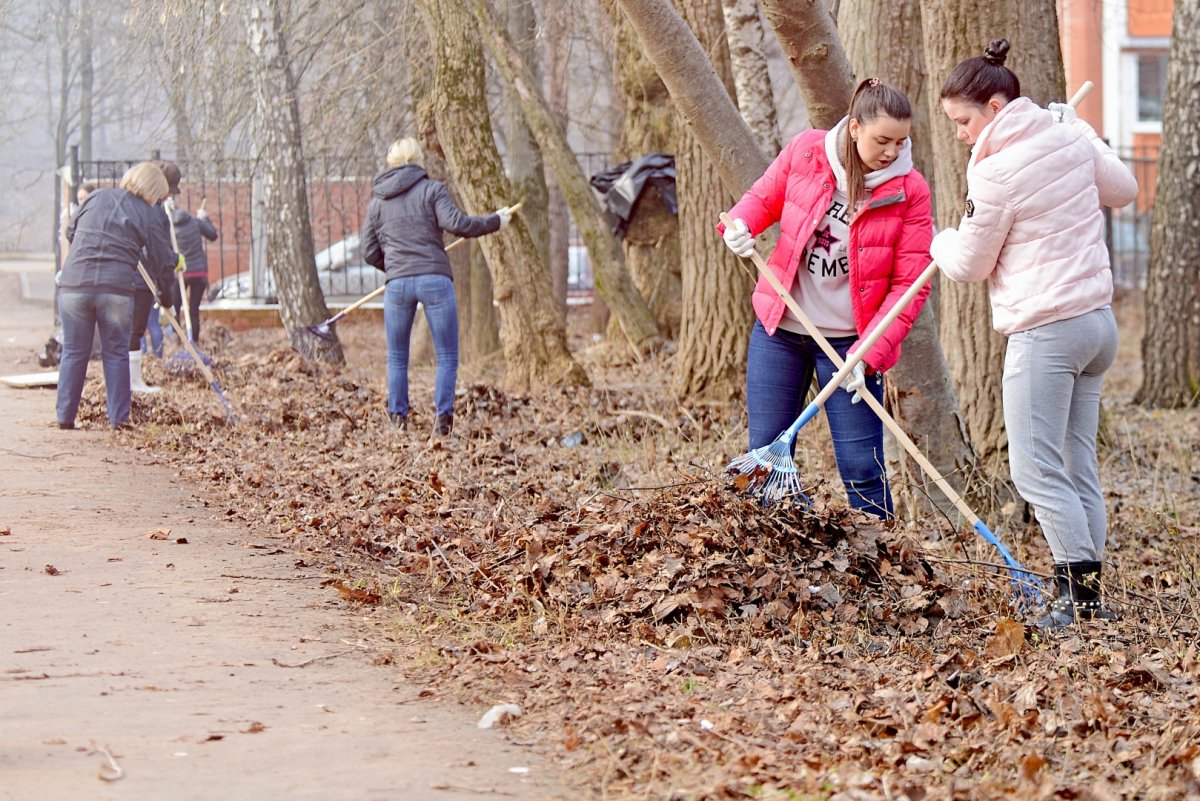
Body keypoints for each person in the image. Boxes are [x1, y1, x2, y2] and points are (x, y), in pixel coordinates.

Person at [930, 39, 1138, 630]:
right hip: (1097, 328)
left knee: (1034, 470)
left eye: (964, 122)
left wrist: (940, 241)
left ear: (995, 108)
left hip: (1046, 334)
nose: (961, 134)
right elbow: (1122, 190)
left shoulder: (996, 171)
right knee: (1076, 464)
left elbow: (969, 264)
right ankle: (1088, 595)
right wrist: (1086, 133)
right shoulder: (1067, 135)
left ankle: (1076, 596)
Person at [719, 78, 934, 518]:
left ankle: (883, 566)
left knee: (862, 468)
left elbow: (909, 288)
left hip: (848, 348)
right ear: (854, 128)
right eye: (881, 140)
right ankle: (775, 556)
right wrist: (738, 227)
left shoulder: (909, 191)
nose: (891, 151)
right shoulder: (807, 152)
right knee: (765, 453)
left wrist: (868, 354)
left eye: (901, 141)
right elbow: (761, 199)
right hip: (781, 329)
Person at [360, 137, 511, 436]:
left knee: (397, 358)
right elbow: (460, 225)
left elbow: (368, 250)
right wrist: (496, 221)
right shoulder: (432, 190)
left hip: (398, 286)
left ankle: (398, 420)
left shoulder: (378, 202)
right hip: (434, 280)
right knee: (446, 357)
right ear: (419, 161)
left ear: (391, 163)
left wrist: (393, 268)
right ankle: (443, 422)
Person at [55, 162, 176, 430]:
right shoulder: (150, 213)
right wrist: (167, 296)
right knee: (115, 352)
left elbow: (70, 231)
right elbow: (163, 260)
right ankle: (119, 420)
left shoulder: (97, 196)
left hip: (74, 285)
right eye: (160, 195)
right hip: (115, 289)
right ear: (154, 191)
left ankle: (65, 417)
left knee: (74, 350)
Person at [127, 160, 182, 393]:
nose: (170, 195)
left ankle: (131, 380)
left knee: (134, 329)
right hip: (140, 278)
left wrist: (173, 257)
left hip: (134, 276)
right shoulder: (154, 212)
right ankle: (133, 381)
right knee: (135, 330)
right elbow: (158, 253)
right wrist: (166, 291)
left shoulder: (140, 205)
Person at [168, 196, 219, 343]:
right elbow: (213, 235)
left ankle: (177, 339)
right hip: (199, 272)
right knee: (193, 309)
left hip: (182, 272)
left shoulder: (170, 228)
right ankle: (194, 342)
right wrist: (204, 219)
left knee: (175, 307)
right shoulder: (195, 222)